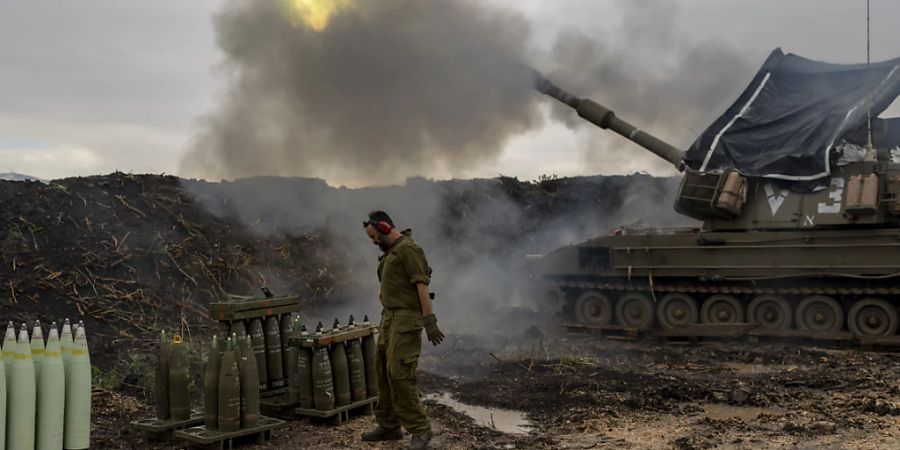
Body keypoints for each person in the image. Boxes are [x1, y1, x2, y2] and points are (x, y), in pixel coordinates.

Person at [360, 210, 444, 450]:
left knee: (400, 374)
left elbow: (421, 286)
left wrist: (430, 322)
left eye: (374, 236)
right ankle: (389, 426)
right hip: (389, 318)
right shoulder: (390, 252)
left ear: (385, 228)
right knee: (383, 373)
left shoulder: (409, 249)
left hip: (406, 320)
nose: (373, 242)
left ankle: (421, 429)